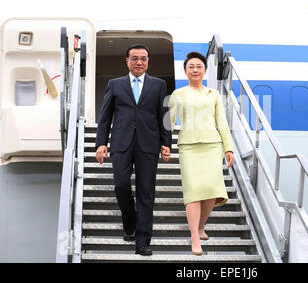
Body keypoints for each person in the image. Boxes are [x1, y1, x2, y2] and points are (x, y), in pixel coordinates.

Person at [95, 44, 171, 256]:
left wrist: (166, 144)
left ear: (148, 61)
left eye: (144, 59)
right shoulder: (115, 84)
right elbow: (105, 117)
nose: (139, 62)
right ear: (127, 61)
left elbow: (164, 117)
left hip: (148, 143)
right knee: (120, 185)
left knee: (146, 193)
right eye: (135, 58)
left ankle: (143, 242)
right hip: (121, 142)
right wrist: (101, 143)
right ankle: (130, 222)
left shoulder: (159, 85)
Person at [168, 52, 234, 256]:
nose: (195, 70)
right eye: (191, 67)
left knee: (211, 192)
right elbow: (168, 122)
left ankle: (200, 226)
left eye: (198, 66)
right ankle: (195, 238)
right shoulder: (178, 94)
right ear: (185, 71)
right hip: (188, 146)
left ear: (205, 71)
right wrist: (163, 145)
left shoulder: (213, 94)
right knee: (193, 191)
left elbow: (221, 122)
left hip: (212, 145)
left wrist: (228, 148)